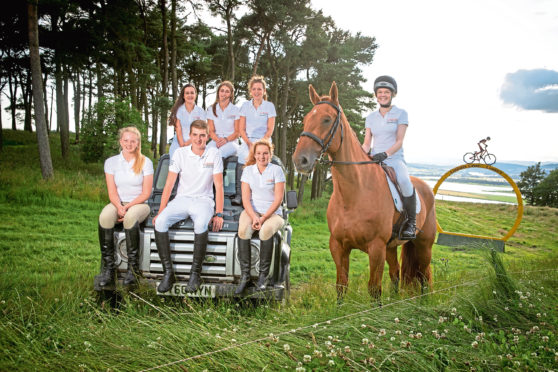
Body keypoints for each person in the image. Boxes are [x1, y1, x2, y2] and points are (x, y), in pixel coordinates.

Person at [152, 120, 224, 293]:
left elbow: (219, 186)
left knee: (200, 224)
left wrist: (219, 213)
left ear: (207, 137)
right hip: (182, 199)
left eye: (202, 135)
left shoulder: (214, 154)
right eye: (195, 135)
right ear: (190, 136)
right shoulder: (179, 153)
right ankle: (168, 273)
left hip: (204, 200)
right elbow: (169, 185)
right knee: (160, 222)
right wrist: (161, 210)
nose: (198, 139)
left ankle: (195, 274)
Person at [97, 127, 154, 287]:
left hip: (139, 204)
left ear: (138, 143)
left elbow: (146, 193)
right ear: (120, 141)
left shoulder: (145, 162)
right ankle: (109, 269)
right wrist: (118, 206)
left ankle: (133, 269)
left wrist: (127, 207)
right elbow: (112, 191)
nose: (129, 144)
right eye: (126, 140)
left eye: (133, 141)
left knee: (130, 218)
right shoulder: (111, 162)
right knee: (105, 216)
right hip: (118, 202)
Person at [361, 75, 416, 240]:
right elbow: (366, 143)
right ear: (375, 95)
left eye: (386, 92)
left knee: (405, 182)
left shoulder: (401, 113)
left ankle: (411, 223)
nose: (383, 95)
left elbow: (399, 141)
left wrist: (386, 154)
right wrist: (360, 153)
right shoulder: (370, 118)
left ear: (393, 94)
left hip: (394, 159)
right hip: (375, 160)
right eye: (379, 92)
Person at [235, 138, 285, 294]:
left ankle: (263, 277)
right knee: (243, 230)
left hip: (273, 214)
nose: (262, 156)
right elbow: (245, 199)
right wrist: (254, 216)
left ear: (270, 154)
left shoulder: (276, 170)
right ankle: (245, 276)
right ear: (254, 155)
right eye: (259, 153)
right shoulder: (248, 171)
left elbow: (278, 199)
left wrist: (263, 219)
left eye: (265, 153)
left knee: (265, 231)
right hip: (252, 211)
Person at [234, 75, 276, 205]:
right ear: (250, 91)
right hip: (248, 140)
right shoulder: (245, 106)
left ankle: (263, 195)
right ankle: (239, 194)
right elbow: (241, 129)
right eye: (254, 89)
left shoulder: (269, 106)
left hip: (264, 140)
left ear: (264, 91)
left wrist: (260, 145)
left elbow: (270, 129)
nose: (257, 92)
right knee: (241, 159)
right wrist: (248, 143)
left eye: (259, 89)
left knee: (264, 160)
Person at [168, 84, 206, 159]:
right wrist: (182, 145)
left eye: (192, 93)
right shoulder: (178, 110)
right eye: (187, 93)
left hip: (196, 141)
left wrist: (190, 142)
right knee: (174, 160)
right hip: (178, 141)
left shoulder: (200, 111)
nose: (190, 95)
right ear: (183, 95)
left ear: (195, 95)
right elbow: (178, 128)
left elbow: (202, 130)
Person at [206, 81, 240, 158]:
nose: (224, 94)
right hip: (216, 140)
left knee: (218, 154)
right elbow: (211, 131)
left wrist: (226, 140)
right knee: (206, 153)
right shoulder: (211, 109)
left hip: (231, 142)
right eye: (222, 91)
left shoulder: (236, 110)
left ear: (231, 94)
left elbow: (237, 132)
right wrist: (218, 140)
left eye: (227, 91)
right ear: (218, 92)